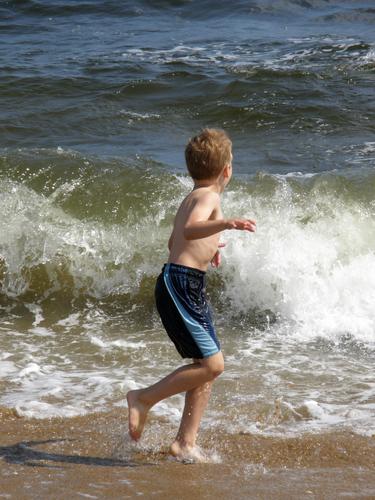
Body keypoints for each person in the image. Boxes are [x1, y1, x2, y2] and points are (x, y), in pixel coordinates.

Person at [126, 128, 256, 461]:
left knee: (204, 364)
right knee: (214, 365)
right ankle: (143, 398)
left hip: (184, 281)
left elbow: (176, 243)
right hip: (181, 283)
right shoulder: (209, 198)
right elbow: (190, 229)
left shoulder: (190, 197)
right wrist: (226, 224)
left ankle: (185, 442)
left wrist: (207, 249)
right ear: (226, 170)